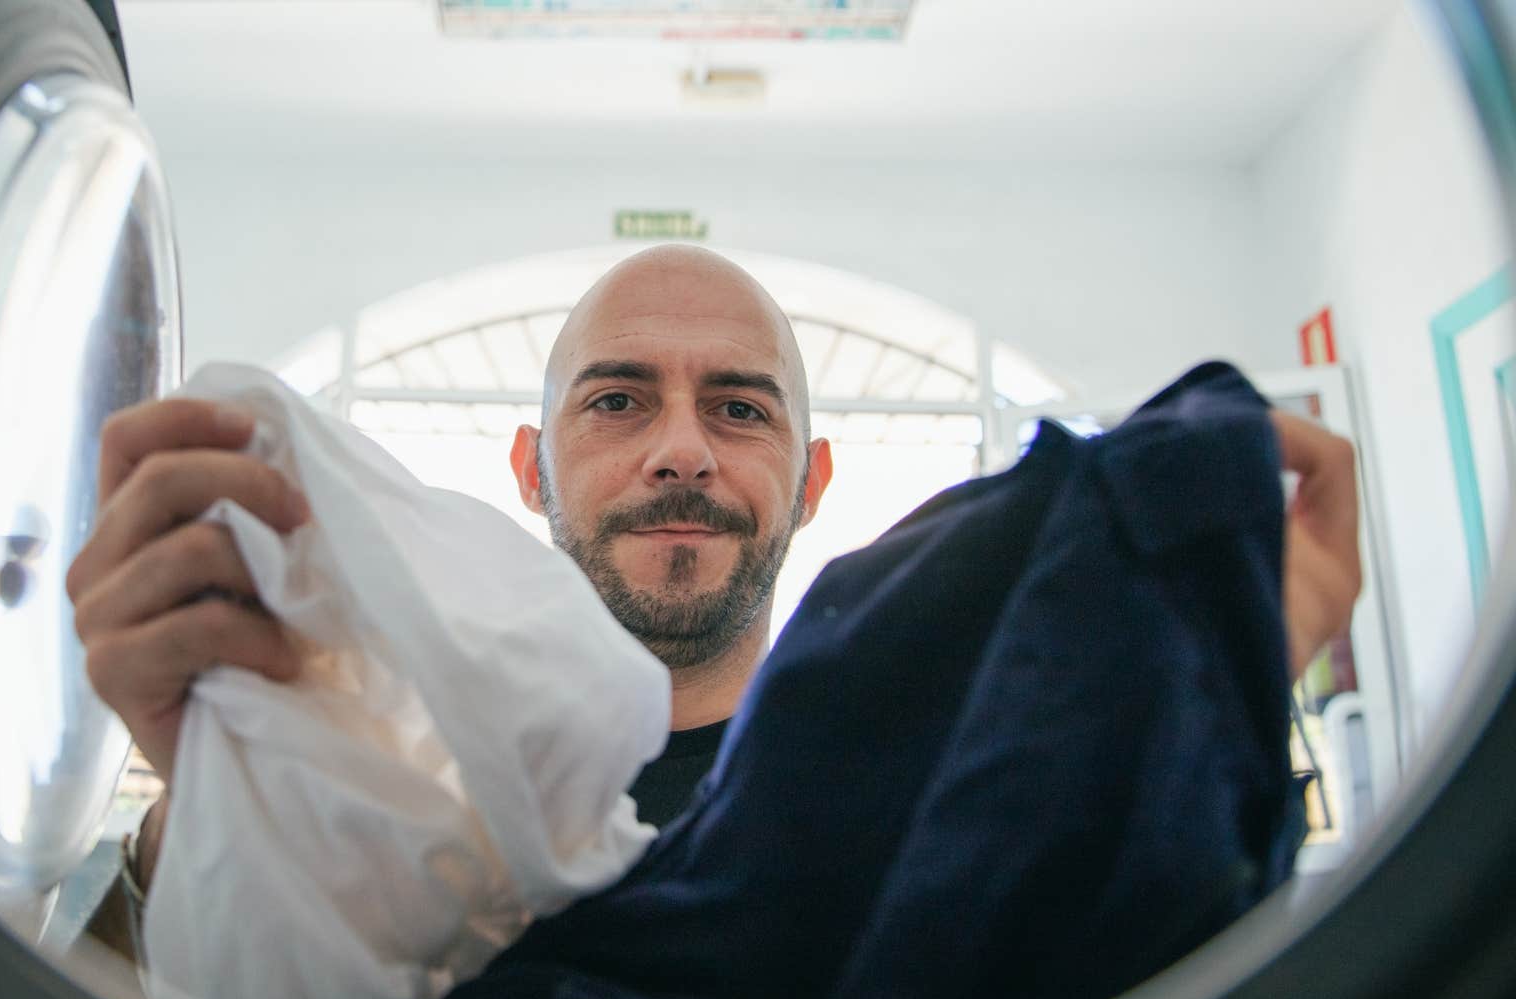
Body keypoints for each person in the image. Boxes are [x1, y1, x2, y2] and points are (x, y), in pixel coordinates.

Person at [69, 244, 1360, 946]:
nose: (682, 450)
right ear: (531, 469)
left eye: (740, 409)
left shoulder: (934, 779)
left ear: (812, 481)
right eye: (617, 401)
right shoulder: (393, 769)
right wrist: (215, 802)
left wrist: (1209, 707)